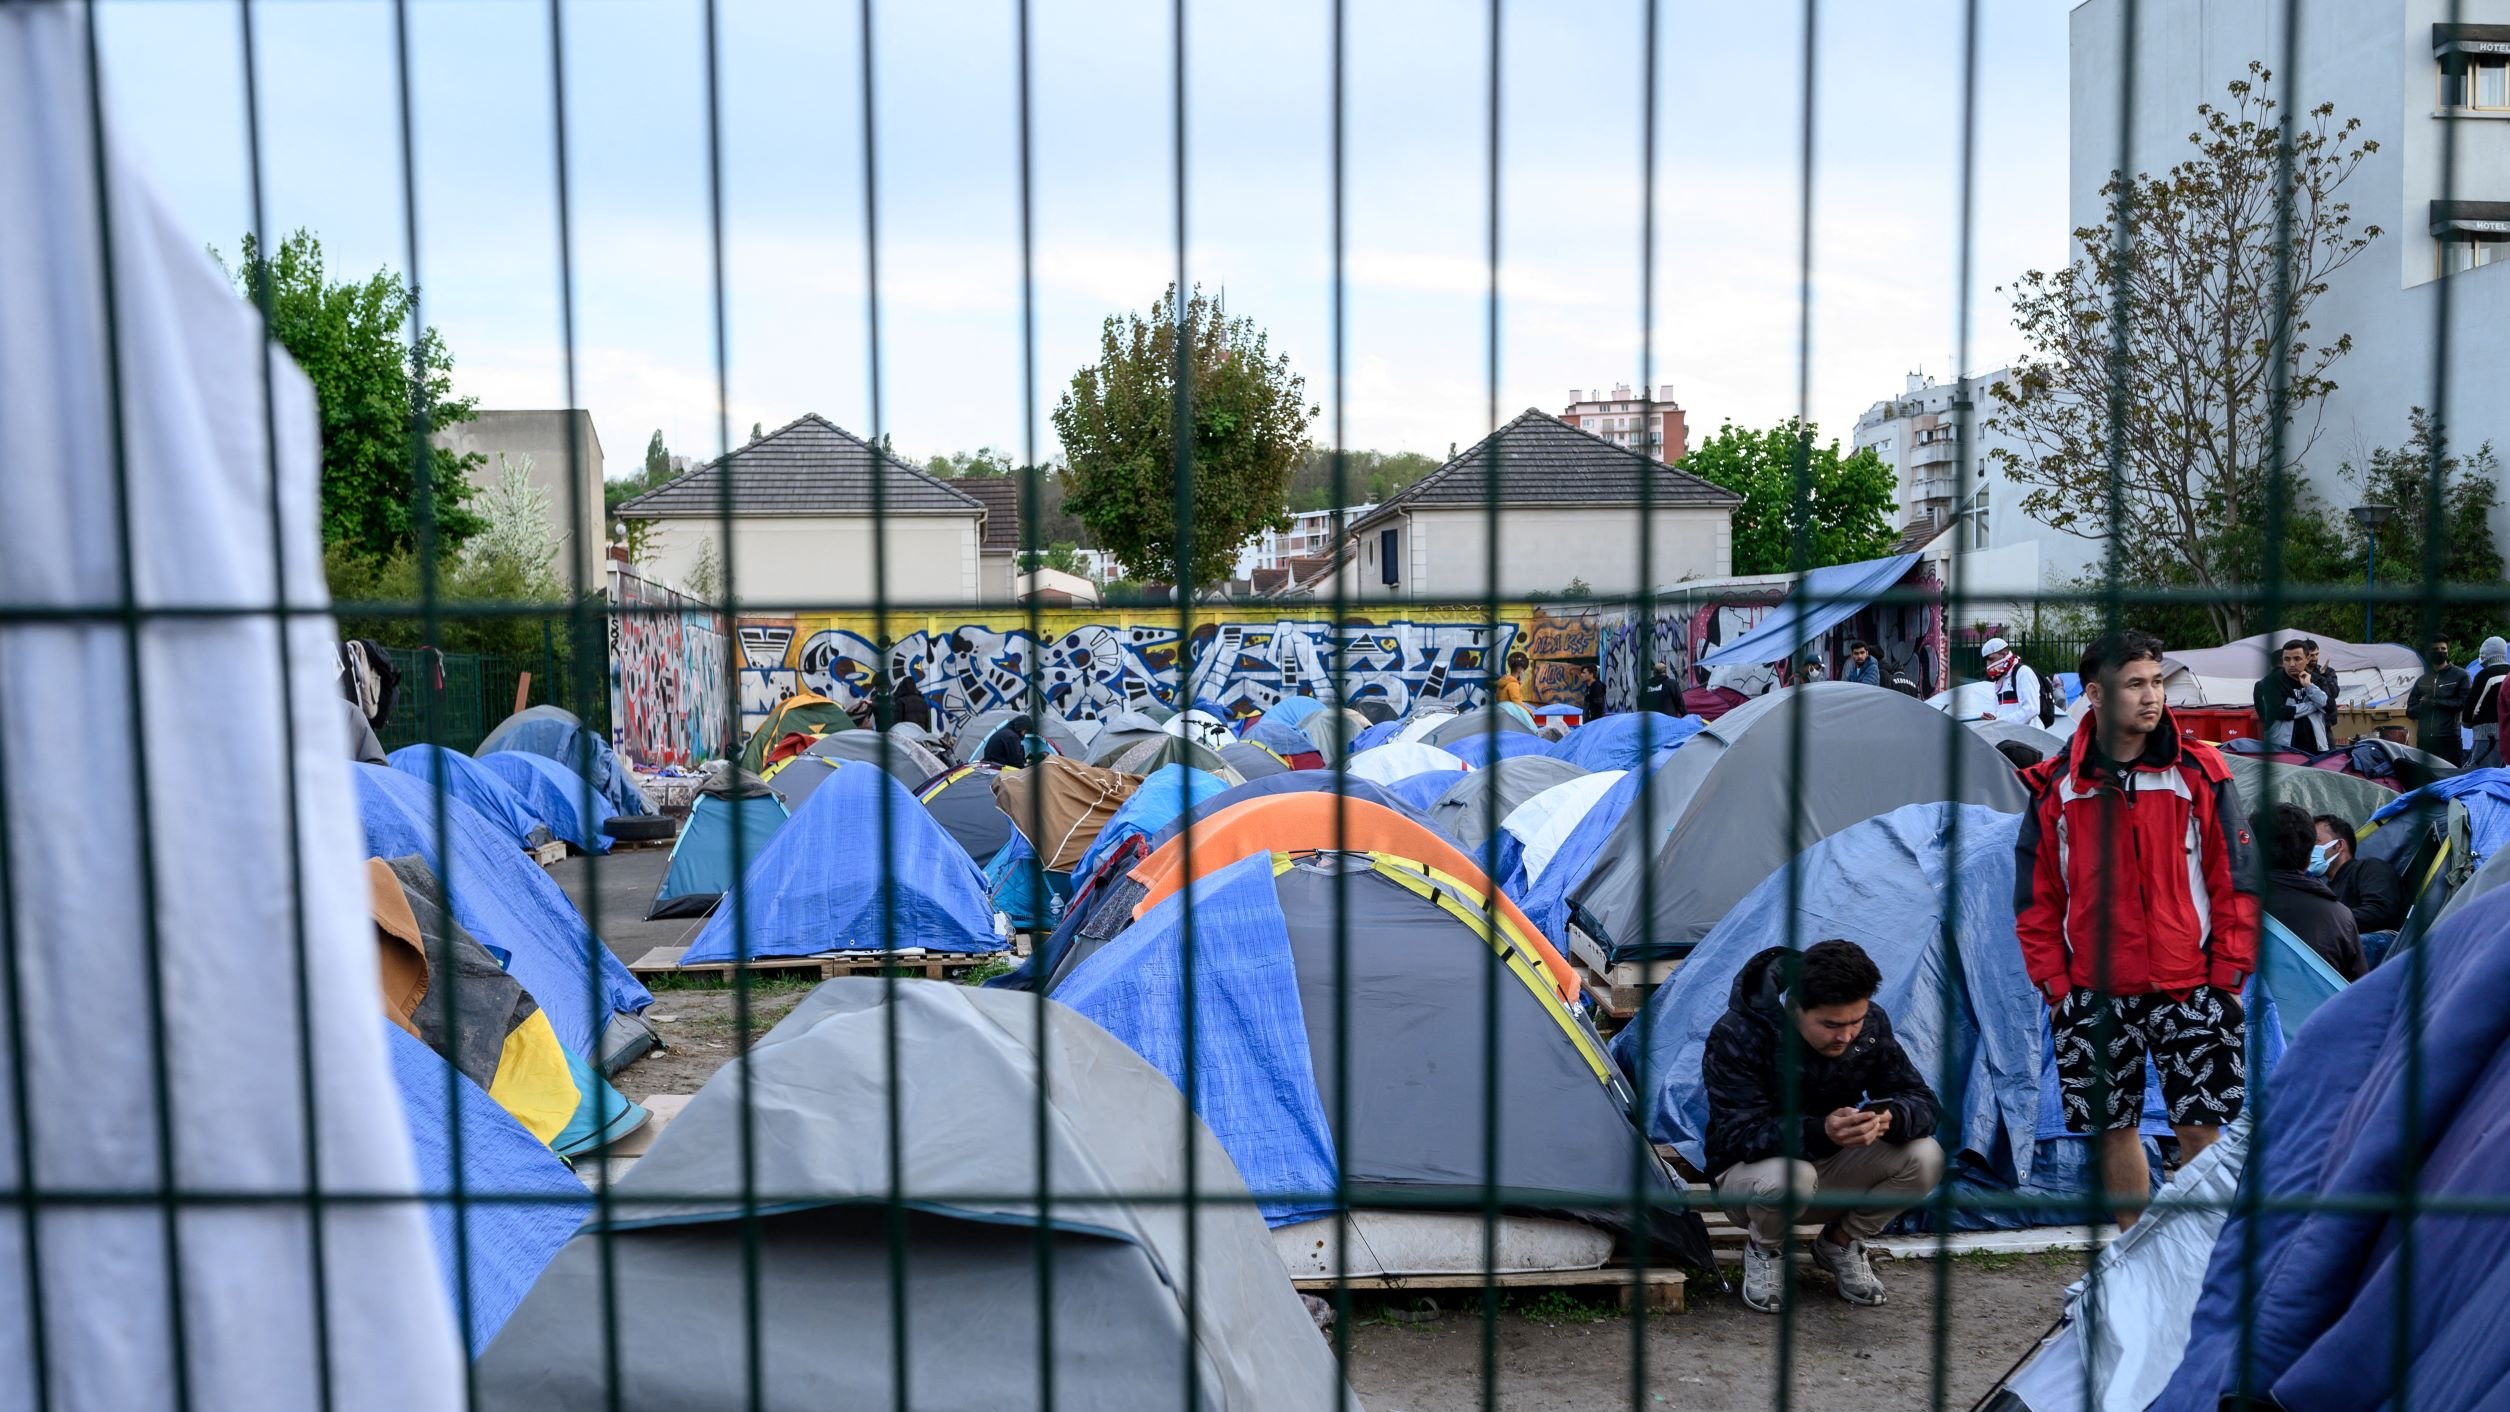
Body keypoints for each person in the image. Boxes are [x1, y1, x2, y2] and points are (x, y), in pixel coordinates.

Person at [2016, 630, 2258, 1229]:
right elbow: (2035, 898)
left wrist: (2228, 976)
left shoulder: (2199, 770)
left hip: (2193, 982)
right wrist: (2055, 986)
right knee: (2111, 1129)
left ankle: (2209, 1257)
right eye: (2135, 685)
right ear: (2095, 694)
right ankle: (2133, 1255)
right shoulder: (2055, 787)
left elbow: (2238, 878)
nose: (2152, 697)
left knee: (2201, 1127)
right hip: (2091, 990)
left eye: (2157, 682)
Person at [1701, 939, 1943, 1314]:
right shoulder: (1739, 1033)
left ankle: (1841, 1242)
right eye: (1831, 1025)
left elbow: (1922, 1100)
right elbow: (1737, 1135)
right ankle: (1764, 1249)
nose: (1846, 1036)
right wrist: (1820, 1132)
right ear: (1795, 1009)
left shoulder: (1871, 1025)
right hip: (1751, 1178)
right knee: (1789, 1176)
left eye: (1855, 1022)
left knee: (1925, 1156)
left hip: (1830, 1166)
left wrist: (1889, 1118)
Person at [2262, 803, 2364, 980]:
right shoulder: (2340, 917)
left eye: (2319, 841)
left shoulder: (2229, 900)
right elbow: (2358, 985)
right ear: (2308, 855)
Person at [2311, 813, 2404, 941]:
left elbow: (2380, 911)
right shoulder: (2324, 889)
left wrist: (2325, 921)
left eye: (2315, 842)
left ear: (2338, 845)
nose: (2308, 848)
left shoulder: (2370, 867)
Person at [2254, 641, 2333, 754]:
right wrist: (2313, 706)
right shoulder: (2269, 683)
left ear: (2307, 659)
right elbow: (2278, 712)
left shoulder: (2317, 680)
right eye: (2287, 659)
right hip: (2282, 750)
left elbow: (2330, 707)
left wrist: (2309, 687)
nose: (2291, 664)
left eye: (2297, 659)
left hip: (2316, 749)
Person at [2406, 640, 2471, 765]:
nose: (2440, 652)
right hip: (2425, 740)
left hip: (2449, 738)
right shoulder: (2422, 680)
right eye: (2435, 649)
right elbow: (2410, 711)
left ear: (2448, 650)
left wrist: (2436, 702)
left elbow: (2464, 703)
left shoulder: (2461, 675)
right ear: (2428, 653)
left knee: (2451, 775)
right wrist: (2423, 706)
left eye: (2443, 649)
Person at [1976, 637, 2042, 726]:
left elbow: (2031, 709)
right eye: (1986, 660)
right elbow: (2002, 712)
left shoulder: (2023, 672)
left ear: (2004, 654)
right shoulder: (1999, 681)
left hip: (2028, 736)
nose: (1988, 664)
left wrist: (2000, 723)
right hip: (2009, 735)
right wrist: (1994, 720)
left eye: (1991, 659)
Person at [2467, 637, 2509, 769]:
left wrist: (2467, 721)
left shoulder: (2483, 676)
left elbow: (2472, 705)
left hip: (2486, 735)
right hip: (2507, 733)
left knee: (2482, 772)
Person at [2301, 638, 2341, 709]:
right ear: (2304, 656)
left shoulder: (2328, 671)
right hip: (2310, 713)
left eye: (2317, 654)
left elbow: (2335, 693)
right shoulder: (2300, 673)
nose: (2315, 658)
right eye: (2311, 655)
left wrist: (2323, 675)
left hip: (2328, 716)